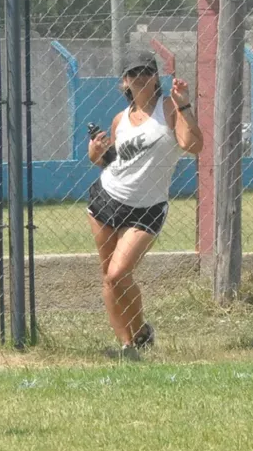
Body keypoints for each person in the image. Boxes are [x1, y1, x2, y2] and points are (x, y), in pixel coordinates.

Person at [87, 49, 203, 360]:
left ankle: (138, 333)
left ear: (156, 78)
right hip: (106, 200)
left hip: (147, 208)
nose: (140, 77)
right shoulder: (119, 120)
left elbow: (193, 145)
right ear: (123, 82)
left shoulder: (169, 109)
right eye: (133, 73)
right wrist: (95, 152)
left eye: (146, 72)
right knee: (110, 278)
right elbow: (110, 163)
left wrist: (185, 105)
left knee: (118, 274)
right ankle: (129, 345)